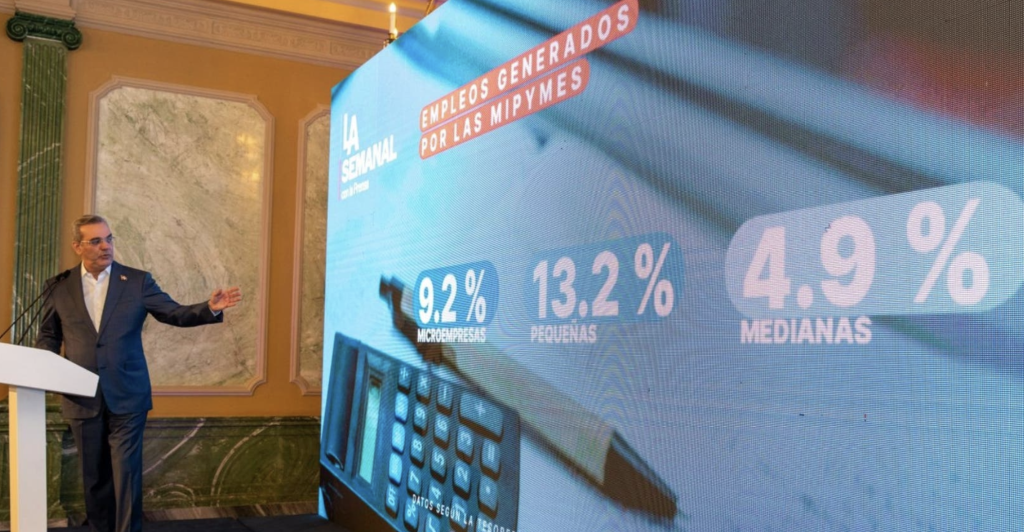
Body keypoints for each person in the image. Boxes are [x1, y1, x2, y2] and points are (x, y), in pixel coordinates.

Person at [35, 214, 242, 532]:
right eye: (96, 241)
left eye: (109, 239)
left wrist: (210, 307)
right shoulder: (58, 286)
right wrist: (43, 367)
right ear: (78, 246)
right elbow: (49, 335)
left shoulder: (136, 281)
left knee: (126, 474)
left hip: (128, 393)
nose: (106, 246)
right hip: (80, 395)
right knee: (94, 477)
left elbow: (173, 313)